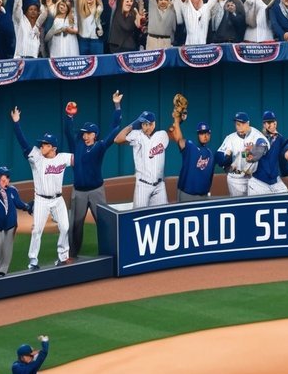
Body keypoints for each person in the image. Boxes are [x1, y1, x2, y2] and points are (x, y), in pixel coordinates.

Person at [63, 92, 123, 259]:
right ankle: (72, 254)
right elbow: (68, 131)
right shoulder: (76, 144)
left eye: (89, 133)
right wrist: (69, 116)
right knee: (75, 224)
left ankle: (111, 252)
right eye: (84, 133)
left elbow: (115, 129)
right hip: (79, 192)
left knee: (103, 223)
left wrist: (117, 106)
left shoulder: (100, 146)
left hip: (97, 191)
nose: (85, 136)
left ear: (95, 134)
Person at [10, 109, 73, 269]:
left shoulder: (63, 158)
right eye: (42, 144)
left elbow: (82, 158)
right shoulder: (37, 158)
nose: (41, 146)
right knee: (37, 230)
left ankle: (63, 256)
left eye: (45, 144)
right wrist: (16, 123)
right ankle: (33, 261)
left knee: (65, 227)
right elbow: (23, 143)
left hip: (58, 200)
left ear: (53, 147)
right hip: (41, 200)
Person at [114, 111, 170, 207]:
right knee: (138, 215)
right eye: (144, 124)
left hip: (160, 186)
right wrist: (133, 124)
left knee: (161, 215)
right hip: (143, 185)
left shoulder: (162, 135)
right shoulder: (137, 135)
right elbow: (117, 139)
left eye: (148, 124)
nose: (146, 127)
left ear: (154, 124)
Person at [0, 167, 32, 278]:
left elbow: (18, 203)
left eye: (7, 178)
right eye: (3, 178)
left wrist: (28, 206)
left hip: (10, 223)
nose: (6, 180)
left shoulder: (12, 190)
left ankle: (3, 271)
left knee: (7, 247)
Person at [167, 115, 216, 202]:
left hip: (204, 195)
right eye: (202, 133)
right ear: (197, 134)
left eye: (207, 133)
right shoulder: (190, 147)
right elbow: (179, 139)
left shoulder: (211, 153)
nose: (205, 136)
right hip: (187, 194)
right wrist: (176, 121)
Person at [217, 113, 268, 197]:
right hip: (236, 179)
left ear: (248, 124)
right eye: (237, 124)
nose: (239, 127)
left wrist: (255, 152)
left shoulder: (256, 135)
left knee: (253, 205)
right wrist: (225, 158)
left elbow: (263, 145)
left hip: (253, 179)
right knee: (238, 205)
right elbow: (219, 156)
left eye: (242, 124)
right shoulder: (230, 138)